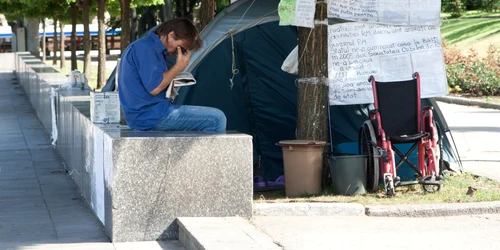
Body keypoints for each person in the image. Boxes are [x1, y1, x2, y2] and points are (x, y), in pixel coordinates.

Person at [118, 17, 226, 132]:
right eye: (181, 47)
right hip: (149, 116)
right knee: (216, 118)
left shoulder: (147, 47)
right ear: (171, 35)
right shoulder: (146, 48)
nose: (178, 52)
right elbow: (155, 87)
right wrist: (178, 67)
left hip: (149, 113)